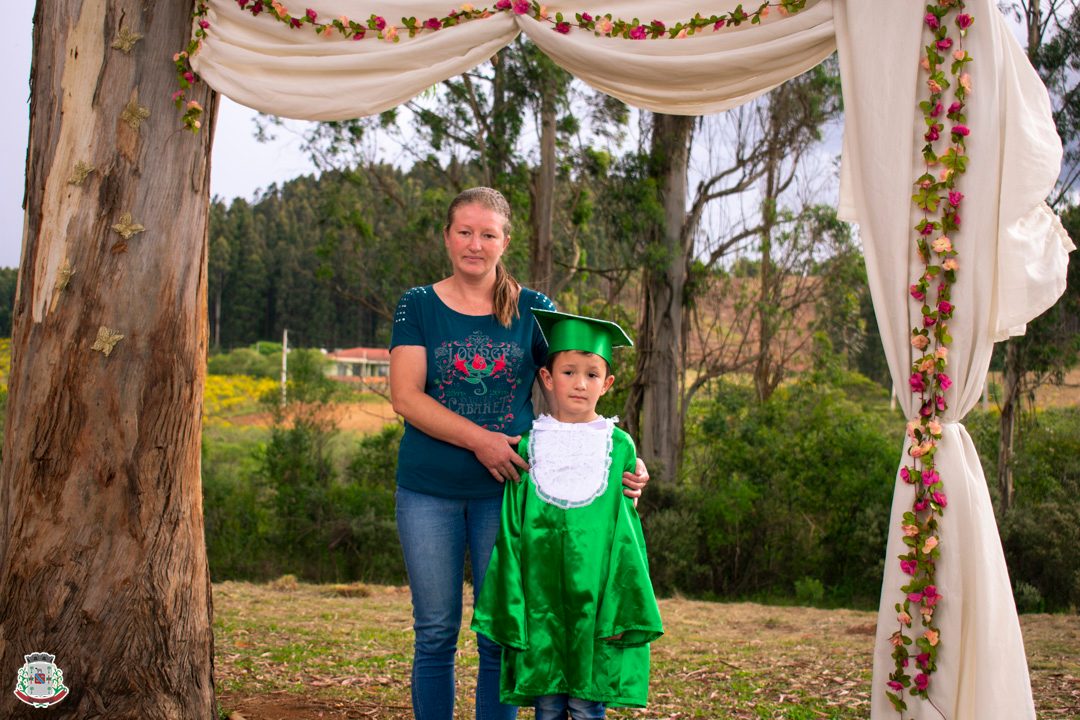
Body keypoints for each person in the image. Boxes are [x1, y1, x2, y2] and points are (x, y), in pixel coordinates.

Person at [389, 187, 649, 720]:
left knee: (503, 631)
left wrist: (619, 455)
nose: (475, 244)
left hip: (510, 494)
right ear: (446, 236)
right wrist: (481, 440)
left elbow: (576, 383)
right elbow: (406, 396)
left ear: (505, 241)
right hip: (427, 490)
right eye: (464, 231)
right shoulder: (417, 304)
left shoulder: (533, 309)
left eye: (488, 234)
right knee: (435, 630)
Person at [471, 310, 663, 720]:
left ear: (607, 384)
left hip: (592, 602)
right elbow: (512, 530)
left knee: (586, 704)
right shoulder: (527, 447)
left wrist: (618, 600)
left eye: (592, 375)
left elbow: (626, 533)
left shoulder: (619, 447)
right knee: (548, 703)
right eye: (569, 372)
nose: (580, 383)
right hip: (541, 601)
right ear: (546, 378)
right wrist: (513, 595)